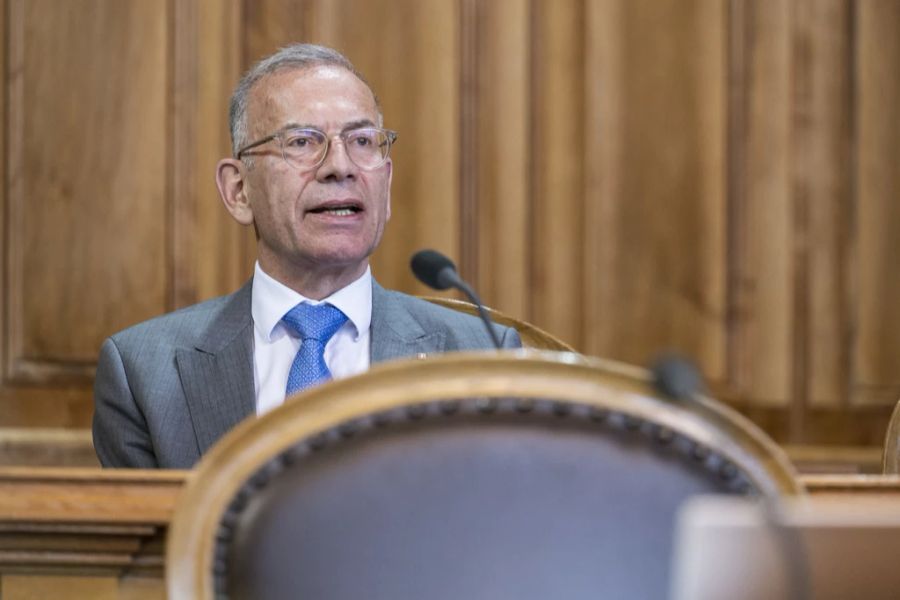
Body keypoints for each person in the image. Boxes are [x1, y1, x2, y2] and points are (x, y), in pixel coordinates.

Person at [92, 44, 521, 469]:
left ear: (385, 187)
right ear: (239, 190)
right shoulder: (145, 374)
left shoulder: (481, 354)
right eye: (301, 141)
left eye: (362, 141)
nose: (340, 165)